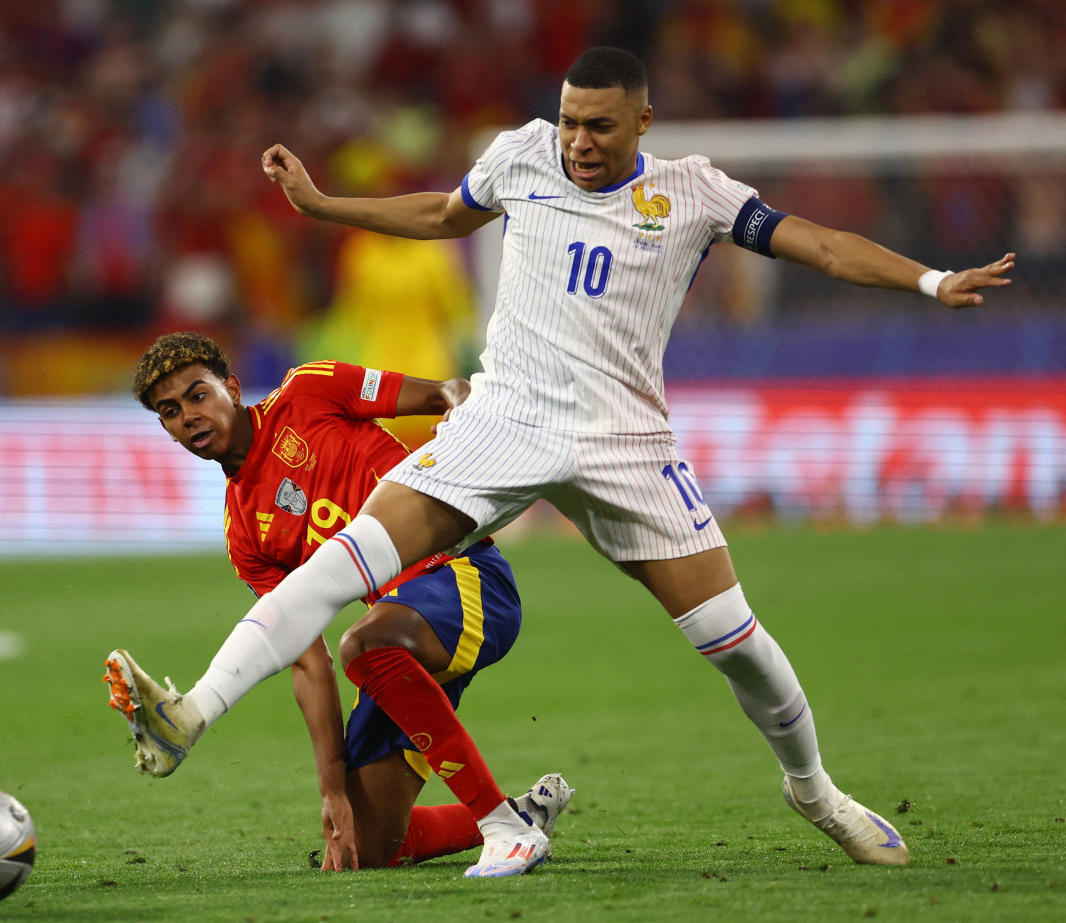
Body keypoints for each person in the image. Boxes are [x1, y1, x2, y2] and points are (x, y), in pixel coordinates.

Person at [111, 48, 1017, 874]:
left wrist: (932, 281)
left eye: (600, 126)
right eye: (570, 120)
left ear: (643, 124)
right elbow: (439, 212)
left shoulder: (694, 191)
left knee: (735, 643)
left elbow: (818, 243)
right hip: (505, 416)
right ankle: (191, 712)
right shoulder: (522, 155)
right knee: (334, 570)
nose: (578, 141)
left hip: (625, 442)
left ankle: (815, 789)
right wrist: (320, 204)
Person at [104, 332, 572, 876]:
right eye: (171, 411)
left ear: (231, 387)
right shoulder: (244, 536)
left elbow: (448, 390)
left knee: (364, 644)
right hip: (397, 643)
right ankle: (522, 813)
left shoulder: (310, 390)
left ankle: (502, 829)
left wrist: (461, 418)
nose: (189, 415)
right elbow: (307, 661)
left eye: (198, 394)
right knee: (368, 849)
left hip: (465, 576)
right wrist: (332, 792)